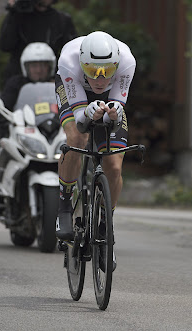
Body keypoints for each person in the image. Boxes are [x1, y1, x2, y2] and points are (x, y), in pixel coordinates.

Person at [55, 31, 136, 270]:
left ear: (116, 65)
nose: (100, 79)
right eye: (92, 71)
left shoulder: (127, 62)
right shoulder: (69, 61)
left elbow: (117, 108)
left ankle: (105, 225)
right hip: (75, 93)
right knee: (77, 138)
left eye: (106, 72)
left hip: (107, 102)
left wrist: (113, 112)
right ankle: (65, 205)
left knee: (113, 164)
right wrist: (87, 112)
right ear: (82, 65)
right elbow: (80, 119)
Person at [0, 42, 57, 220]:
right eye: (34, 65)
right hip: (24, 131)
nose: (38, 70)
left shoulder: (60, 85)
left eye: (42, 65)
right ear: (26, 67)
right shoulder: (16, 83)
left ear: (50, 66)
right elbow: (4, 104)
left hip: (52, 131)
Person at [0, 0, 77, 82]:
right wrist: (13, 13)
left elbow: (72, 53)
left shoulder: (62, 20)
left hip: (50, 82)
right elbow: (5, 45)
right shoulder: (18, 16)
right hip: (20, 81)